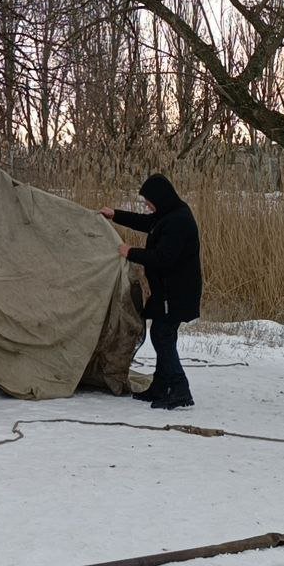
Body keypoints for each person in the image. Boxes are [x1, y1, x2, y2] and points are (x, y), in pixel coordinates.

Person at [101, 174, 202, 410]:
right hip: (167, 292)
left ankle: (180, 389)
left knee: (162, 335)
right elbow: (147, 223)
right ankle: (160, 385)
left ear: (161, 198)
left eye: (149, 201)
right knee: (162, 334)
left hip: (176, 293)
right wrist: (115, 214)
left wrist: (131, 252)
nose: (147, 205)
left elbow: (164, 258)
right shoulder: (168, 214)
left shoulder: (178, 221)